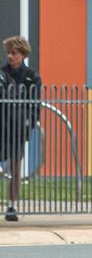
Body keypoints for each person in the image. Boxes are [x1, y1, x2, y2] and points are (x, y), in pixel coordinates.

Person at [1, 36, 42, 222]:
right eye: (8, 52)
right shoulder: (1, 74)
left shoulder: (31, 76)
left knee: (16, 167)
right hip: (2, 125)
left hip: (18, 129)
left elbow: (35, 104)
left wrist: (29, 123)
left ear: (23, 55)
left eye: (14, 53)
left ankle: (12, 205)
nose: (10, 56)